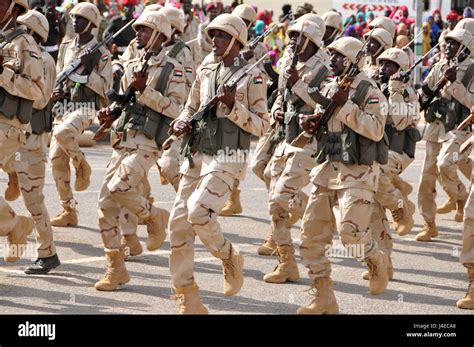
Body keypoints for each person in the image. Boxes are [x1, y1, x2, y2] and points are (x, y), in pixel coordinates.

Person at [168, 14, 268, 314]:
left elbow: (262, 126)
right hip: (197, 154)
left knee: (198, 210)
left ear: (237, 41)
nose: (215, 40)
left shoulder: (253, 76)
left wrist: (232, 106)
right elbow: (191, 106)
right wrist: (181, 122)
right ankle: (188, 296)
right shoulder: (206, 68)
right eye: (213, 35)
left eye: (222, 36)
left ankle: (228, 256)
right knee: (178, 228)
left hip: (229, 157)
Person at [94, 11, 187, 291]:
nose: (138, 35)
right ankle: (116, 269)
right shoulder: (134, 60)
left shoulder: (174, 68)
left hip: (148, 141)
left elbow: (177, 109)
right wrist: (110, 111)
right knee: (104, 205)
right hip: (123, 138)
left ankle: (154, 216)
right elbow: (126, 101)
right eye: (138, 30)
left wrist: (145, 89)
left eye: (144, 30)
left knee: (119, 186)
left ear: (159, 34)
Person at [297, 36, 389, 314]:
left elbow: (376, 129)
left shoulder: (369, 90)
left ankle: (376, 258)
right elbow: (323, 118)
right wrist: (310, 122)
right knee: (310, 235)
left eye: (337, 57)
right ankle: (323, 296)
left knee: (350, 233)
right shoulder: (331, 85)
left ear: (351, 61)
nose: (332, 61)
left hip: (358, 171)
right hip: (327, 167)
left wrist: (345, 105)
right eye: (331, 56)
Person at [263, 17, 330, 284]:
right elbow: (281, 95)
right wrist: (276, 109)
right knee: (274, 202)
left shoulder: (324, 67)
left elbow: (324, 104)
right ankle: (286, 263)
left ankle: (321, 213)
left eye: (298, 37)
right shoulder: (291, 62)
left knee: (281, 197)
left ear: (312, 41)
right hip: (286, 139)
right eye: (291, 37)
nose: (292, 41)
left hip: (308, 142)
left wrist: (297, 84)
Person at [5, 9, 59, 274]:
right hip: (16, 136)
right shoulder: (15, 50)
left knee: (33, 200)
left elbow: (41, 99)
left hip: (32, 139)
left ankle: (47, 254)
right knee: (27, 198)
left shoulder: (43, 60)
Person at [49, 2, 112, 227]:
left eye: (81, 19)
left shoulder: (102, 54)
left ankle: (81, 164)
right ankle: (69, 210)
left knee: (64, 133)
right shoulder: (66, 46)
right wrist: (55, 89)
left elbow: (105, 88)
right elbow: (58, 74)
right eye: (74, 18)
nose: (75, 22)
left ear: (92, 24)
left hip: (86, 106)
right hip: (64, 106)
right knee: (56, 160)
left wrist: (88, 69)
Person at [416, 28, 473, 241]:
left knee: (446, 164)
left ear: (465, 48)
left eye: (454, 44)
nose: (448, 47)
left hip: (459, 127)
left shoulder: (471, 71)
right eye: (447, 43)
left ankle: (460, 195)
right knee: (426, 178)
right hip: (436, 126)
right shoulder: (440, 66)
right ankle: (428, 224)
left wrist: (454, 83)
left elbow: (472, 103)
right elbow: (426, 90)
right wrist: (421, 97)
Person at [0, 0, 45, 262]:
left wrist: (3, 74)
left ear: (14, 8)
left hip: (9, 125)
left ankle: (15, 226)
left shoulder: (24, 44)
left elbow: (38, 94)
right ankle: (15, 225)